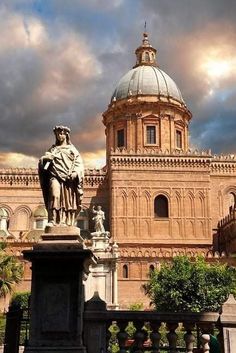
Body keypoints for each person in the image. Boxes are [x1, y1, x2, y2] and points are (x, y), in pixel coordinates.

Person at [38, 125, 84, 227]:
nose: (60, 135)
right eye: (58, 133)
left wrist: (75, 173)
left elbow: (79, 164)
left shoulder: (72, 150)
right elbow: (44, 166)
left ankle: (65, 221)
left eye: (62, 133)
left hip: (68, 179)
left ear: (66, 135)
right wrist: (45, 159)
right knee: (55, 195)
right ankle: (53, 220)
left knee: (67, 201)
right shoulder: (52, 150)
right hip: (54, 176)